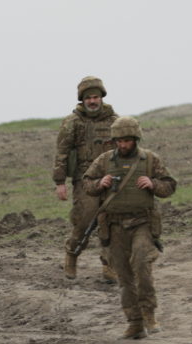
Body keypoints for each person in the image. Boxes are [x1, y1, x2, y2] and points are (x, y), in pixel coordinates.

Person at [83, 116, 177, 339]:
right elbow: (86, 184)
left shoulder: (150, 159)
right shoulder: (104, 161)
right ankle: (134, 322)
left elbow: (170, 186)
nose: (122, 145)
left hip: (142, 223)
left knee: (142, 265)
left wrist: (153, 184)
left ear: (135, 139)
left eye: (127, 140)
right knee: (124, 277)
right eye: (119, 141)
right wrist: (100, 183)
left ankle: (148, 314)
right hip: (114, 226)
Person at [52, 76, 120, 282]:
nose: (92, 101)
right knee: (85, 219)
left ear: (101, 98)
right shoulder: (73, 122)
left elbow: (127, 148)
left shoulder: (114, 121)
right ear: (82, 99)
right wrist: (60, 183)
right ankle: (72, 253)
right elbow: (61, 153)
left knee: (111, 220)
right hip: (85, 179)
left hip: (111, 178)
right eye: (88, 97)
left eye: (96, 97)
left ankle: (110, 266)